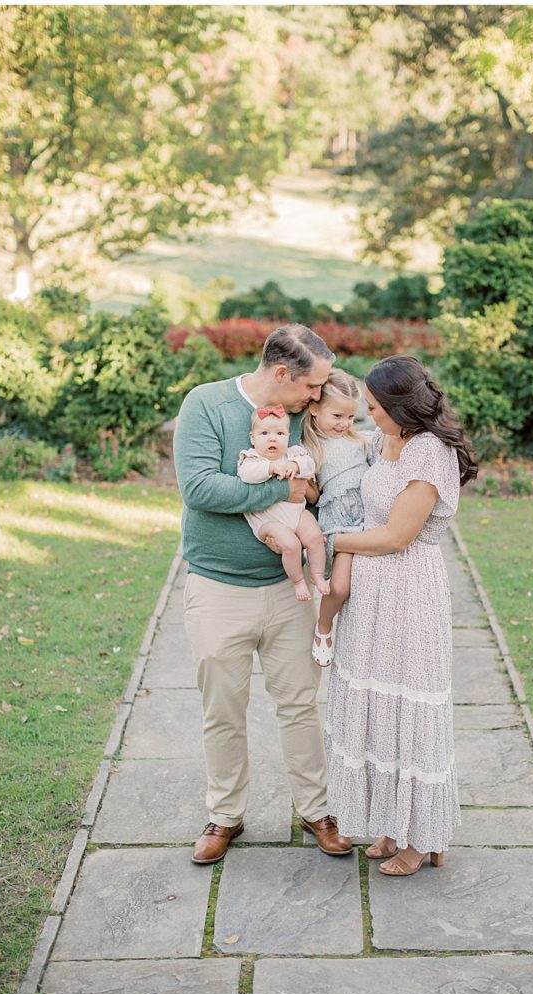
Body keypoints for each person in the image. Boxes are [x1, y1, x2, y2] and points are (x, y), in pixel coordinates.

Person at [174, 323, 352, 864]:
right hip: (217, 587)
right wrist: (284, 488)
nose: (316, 395)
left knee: (300, 705)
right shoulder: (205, 404)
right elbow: (201, 487)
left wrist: (308, 493)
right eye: (311, 386)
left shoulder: (307, 417)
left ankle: (316, 810)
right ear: (281, 374)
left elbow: (328, 479)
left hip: (287, 590)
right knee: (223, 708)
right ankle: (225, 815)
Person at [324, 355, 478, 876]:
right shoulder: (384, 441)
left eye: (373, 407)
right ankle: (393, 822)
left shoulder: (430, 454)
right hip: (369, 593)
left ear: (399, 405)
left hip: (408, 590)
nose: (368, 416)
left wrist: (330, 543)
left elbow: (396, 536)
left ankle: (423, 837)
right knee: (374, 704)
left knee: (408, 707)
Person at [301, 369, 371, 666]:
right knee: (340, 586)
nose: (344, 424)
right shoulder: (309, 448)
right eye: (337, 416)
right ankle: (324, 627)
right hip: (339, 521)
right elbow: (314, 498)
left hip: (369, 518)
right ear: (315, 409)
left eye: (350, 418)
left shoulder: (363, 442)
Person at [237, 404, 329, 602]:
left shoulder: (293, 454)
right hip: (268, 522)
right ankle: (297, 581)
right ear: (253, 438)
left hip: (296, 513)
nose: (272, 438)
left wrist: (295, 465)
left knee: (314, 536)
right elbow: (247, 475)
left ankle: (317, 575)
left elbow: (309, 465)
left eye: (279, 433)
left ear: (287, 436)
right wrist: (270, 468)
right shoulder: (251, 459)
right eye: (264, 433)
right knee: (291, 544)